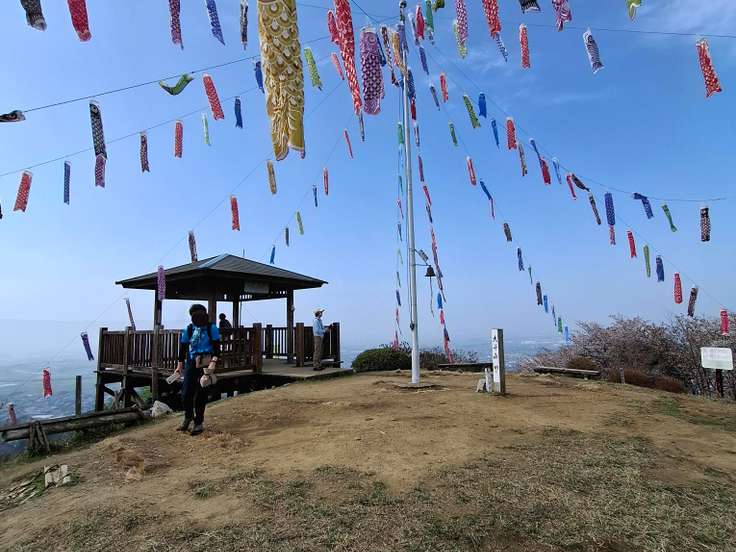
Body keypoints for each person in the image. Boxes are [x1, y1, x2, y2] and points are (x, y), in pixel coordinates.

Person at [173, 304, 220, 436]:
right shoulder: (189, 329)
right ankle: (188, 417)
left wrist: (213, 363)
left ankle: (198, 422)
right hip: (192, 362)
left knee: (201, 393)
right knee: (185, 393)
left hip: (206, 363)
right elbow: (183, 348)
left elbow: (217, 348)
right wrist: (179, 366)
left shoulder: (211, 328)